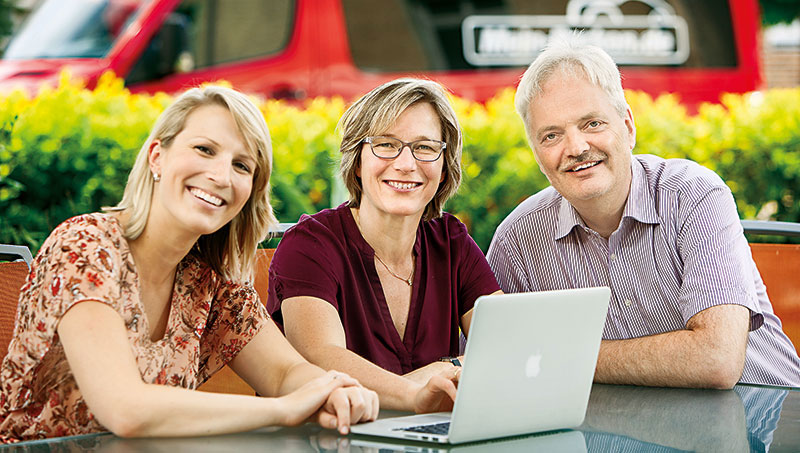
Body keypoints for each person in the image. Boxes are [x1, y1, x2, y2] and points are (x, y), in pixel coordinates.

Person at [0, 86, 378, 443]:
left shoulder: (210, 279)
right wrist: (282, 409)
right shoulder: (85, 247)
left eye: (242, 166)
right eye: (204, 149)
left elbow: (284, 372)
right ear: (156, 157)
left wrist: (335, 391)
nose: (220, 176)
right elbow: (125, 409)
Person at [486, 39, 800, 389]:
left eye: (592, 124)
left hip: (768, 421)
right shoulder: (517, 240)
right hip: (627, 434)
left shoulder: (693, 196)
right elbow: (491, 361)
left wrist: (561, 357)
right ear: (536, 152)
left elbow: (717, 359)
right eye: (551, 136)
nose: (575, 148)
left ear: (628, 126)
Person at [266, 78, 502, 412]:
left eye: (425, 147)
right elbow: (322, 360)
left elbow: (506, 347)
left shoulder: (451, 241)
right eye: (387, 145)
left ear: (444, 167)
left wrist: (444, 370)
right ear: (358, 162)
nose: (406, 164)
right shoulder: (309, 245)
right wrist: (433, 380)